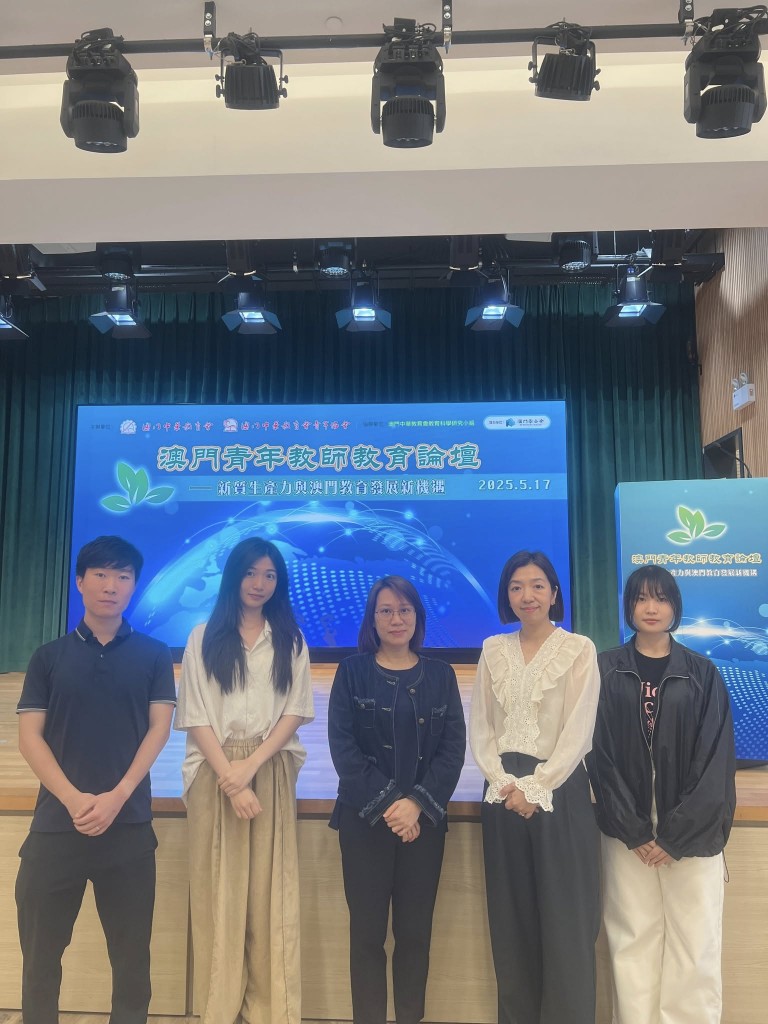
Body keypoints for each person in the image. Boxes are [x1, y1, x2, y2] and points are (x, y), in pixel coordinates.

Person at [15, 534, 176, 1024]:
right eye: (101, 574)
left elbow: (159, 729)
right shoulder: (48, 657)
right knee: (40, 960)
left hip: (128, 828)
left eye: (123, 576)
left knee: (132, 964)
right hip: (55, 827)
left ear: (133, 585)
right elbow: (30, 737)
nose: (111, 585)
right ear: (80, 581)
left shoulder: (154, 655)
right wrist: (73, 799)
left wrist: (117, 796)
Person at [586, 565, 736, 1024]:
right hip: (626, 836)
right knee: (632, 941)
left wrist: (675, 837)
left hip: (692, 838)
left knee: (695, 945)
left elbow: (716, 762)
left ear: (675, 606)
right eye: (641, 598)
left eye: (662, 598)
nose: (651, 608)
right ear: (628, 606)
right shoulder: (604, 670)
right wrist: (634, 830)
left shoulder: (703, 673)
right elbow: (597, 755)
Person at [175, 537, 314, 1024]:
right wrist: (230, 779)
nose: (259, 583)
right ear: (234, 575)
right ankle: (219, 1006)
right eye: (251, 572)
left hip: (268, 768)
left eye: (270, 575)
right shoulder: (202, 637)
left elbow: (295, 711)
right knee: (217, 892)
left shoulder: (291, 639)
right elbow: (194, 714)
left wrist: (248, 769)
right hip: (213, 771)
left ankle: (269, 1009)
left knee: (270, 893)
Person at [469, 550, 600, 1024]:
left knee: (566, 921)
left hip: (559, 791)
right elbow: (481, 725)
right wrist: (503, 782)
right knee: (512, 922)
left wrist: (538, 787)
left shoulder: (579, 648)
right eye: (516, 587)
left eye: (538, 585)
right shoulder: (492, 649)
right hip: (502, 792)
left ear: (554, 593)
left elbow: (579, 730)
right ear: (507, 596)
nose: (527, 595)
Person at [328, 575, 466, 1024]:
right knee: (366, 936)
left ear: (417, 617)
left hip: (423, 826)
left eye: (404, 610)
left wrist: (416, 804)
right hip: (364, 822)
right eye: (385, 611)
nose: (396, 619)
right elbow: (343, 749)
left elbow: (452, 751)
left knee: (415, 935)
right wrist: (392, 804)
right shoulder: (351, 672)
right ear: (372, 619)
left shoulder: (441, 675)